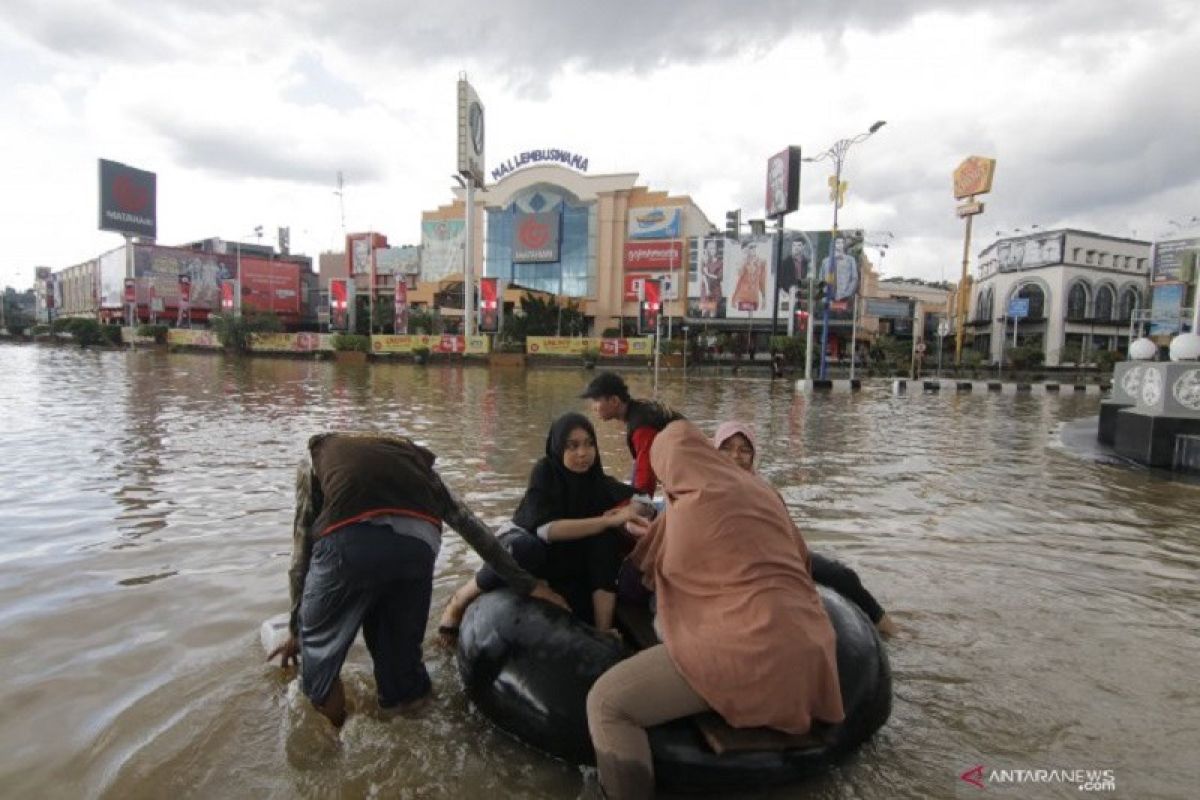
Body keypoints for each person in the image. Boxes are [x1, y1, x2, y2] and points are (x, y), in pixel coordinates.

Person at [586, 421, 844, 799]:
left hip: (752, 652)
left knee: (608, 704)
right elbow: (803, 564)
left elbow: (639, 579)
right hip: (813, 646)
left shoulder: (686, 506)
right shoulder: (765, 491)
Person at [269, 432, 564, 728]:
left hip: (348, 549)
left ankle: (334, 745)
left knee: (320, 664)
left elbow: (302, 550)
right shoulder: (416, 466)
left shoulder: (315, 460)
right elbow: (472, 527)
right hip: (416, 549)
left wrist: (299, 628)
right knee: (403, 677)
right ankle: (412, 723)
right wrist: (528, 584)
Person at [437, 413, 649, 637]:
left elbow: (644, 500)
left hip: (567, 560)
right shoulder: (545, 472)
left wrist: (630, 510)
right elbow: (547, 530)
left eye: (589, 444)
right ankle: (461, 599)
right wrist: (606, 520)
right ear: (558, 448)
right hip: (531, 550)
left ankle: (603, 631)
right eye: (573, 446)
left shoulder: (597, 482)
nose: (583, 453)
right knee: (526, 549)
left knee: (605, 541)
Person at [712, 421, 897, 636]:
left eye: (744, 450)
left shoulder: (766, 492)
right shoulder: (703, 489)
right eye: (726, 448)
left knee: (842, 575)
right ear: (714, 452)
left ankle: (889, 629)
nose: (735, 456)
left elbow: (788, 535)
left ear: (753, 456)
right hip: (728, 564)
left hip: (775, 557)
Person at [579, 371, 684, 497]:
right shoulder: (639, 411)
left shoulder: (642, 425)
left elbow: (645, 475)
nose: (593, 407)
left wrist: (639, 504)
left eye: (596, 400)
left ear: (614, 400)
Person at [731, 239, 767, 311]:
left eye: (754, 247)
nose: (753, 249)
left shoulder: (761, 262)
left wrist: (764, 298)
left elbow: (762, 282)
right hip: (743, 297)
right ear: (746, 250)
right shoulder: (742, 262)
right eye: (751, 247)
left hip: (754, 297)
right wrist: (733, 299)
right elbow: (738, 281)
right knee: (743, 319)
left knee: (752, 319)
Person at [822, 237, 859, 301]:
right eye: (838, 243)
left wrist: (847, 293)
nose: (840, 245)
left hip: (844, 297)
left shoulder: (850, 260)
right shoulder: (825, 261)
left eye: (842, 243)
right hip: (828, 297)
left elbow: (854, 278)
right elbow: (822, 278)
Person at [699, 238, 724, 318]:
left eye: (714, 248)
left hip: (715, 289)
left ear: (717, 249)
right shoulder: (704, 261)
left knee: (713, 313)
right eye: (710, 248)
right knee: (704, 312)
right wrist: (707, 289)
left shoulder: (720, 263)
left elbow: (719, 277)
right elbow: (703, 276)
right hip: (706, 289)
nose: (712, 250)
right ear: (707, 249)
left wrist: (708, 274)